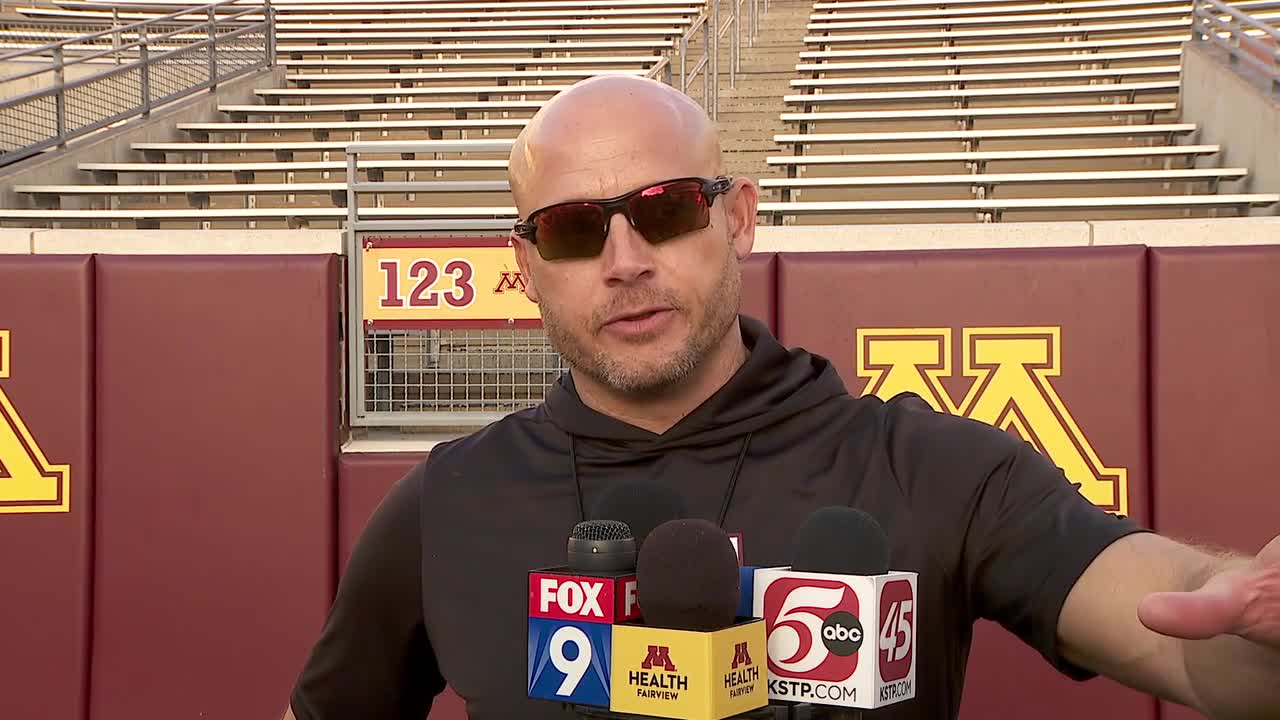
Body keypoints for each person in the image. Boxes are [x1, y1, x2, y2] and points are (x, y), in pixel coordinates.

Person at [283, 75, 1280, 720]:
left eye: (663, 211)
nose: (624, 263)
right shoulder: (444, 506)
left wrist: (1249, 616)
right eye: (576, 230)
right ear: (527, 265)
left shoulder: (932, 469)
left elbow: (1180, 621)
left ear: (738, 216)